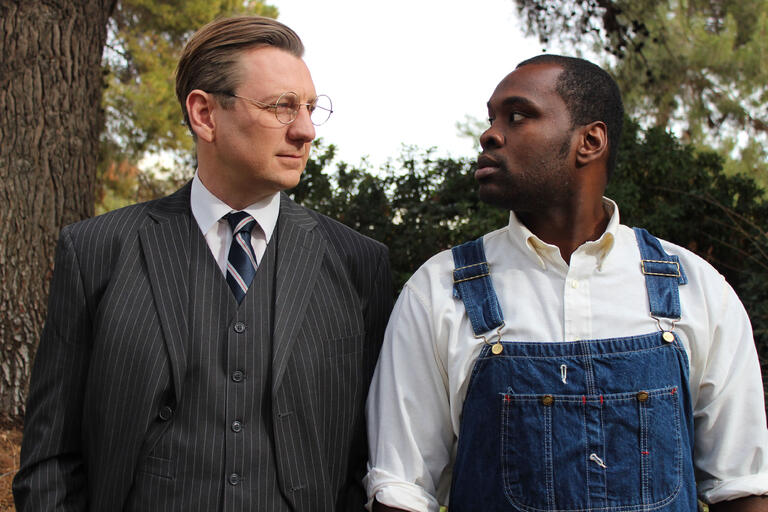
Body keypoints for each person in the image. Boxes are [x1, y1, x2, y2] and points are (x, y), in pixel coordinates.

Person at [13, 15, 393, 511]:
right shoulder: (96, 250)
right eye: (281, 107)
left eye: (309, 108)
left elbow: (373, 458)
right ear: (205, 114)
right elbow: (51, 458)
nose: (304, 131)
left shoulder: (358, 261)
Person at [365, 55, 768, 512]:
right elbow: (401, 491)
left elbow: (743, 487)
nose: (490, 134)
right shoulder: (440, 291)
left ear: (590, 141)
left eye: (517, 116)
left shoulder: (695, 289)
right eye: (492, 118)